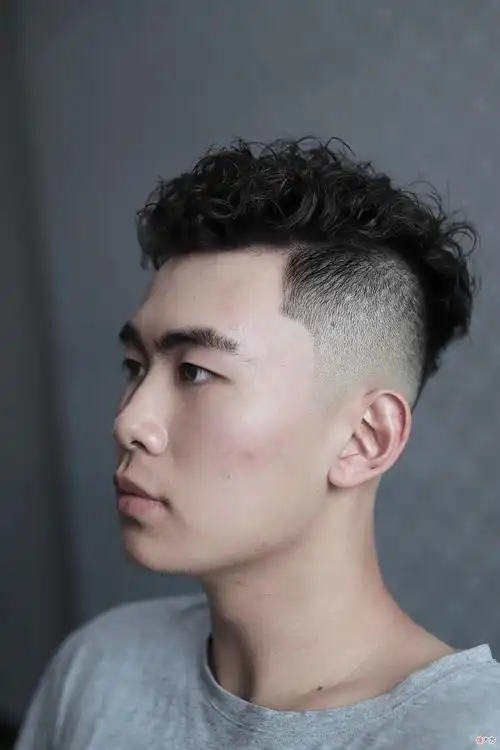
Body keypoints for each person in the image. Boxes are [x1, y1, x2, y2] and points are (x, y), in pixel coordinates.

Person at [15, 138, 499, 749]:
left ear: (364, 438)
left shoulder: (462, 733)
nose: (129, 421)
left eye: (195, 371)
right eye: (135, 366)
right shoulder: (99, 669)